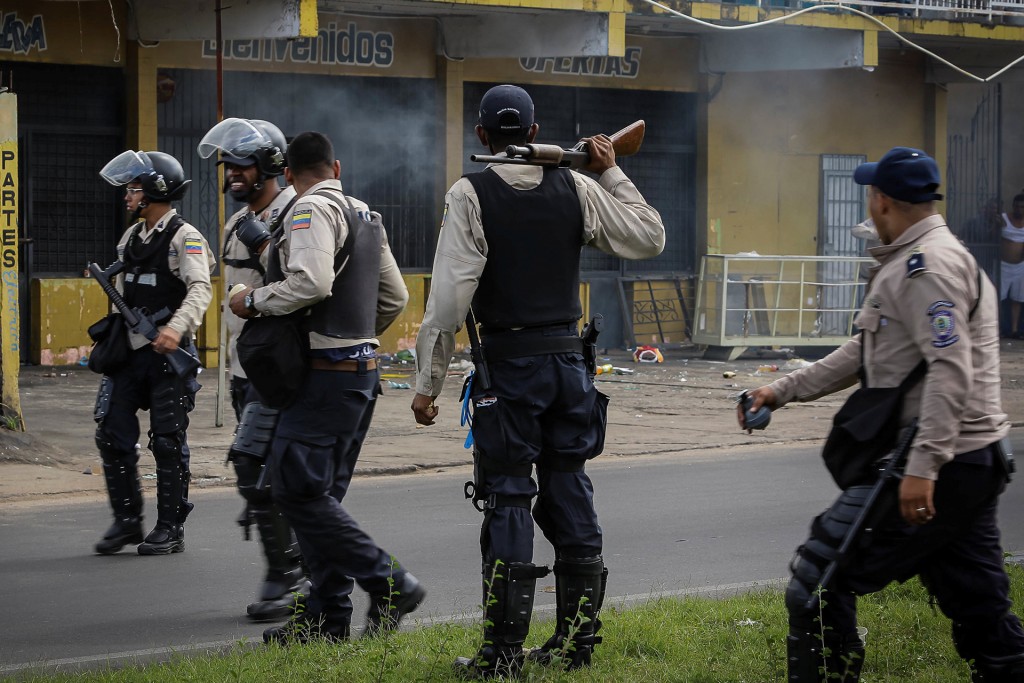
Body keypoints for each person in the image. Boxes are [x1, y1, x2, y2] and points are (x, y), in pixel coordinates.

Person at [740, 147, 1024, 682]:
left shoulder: (927, 268)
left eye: (872, 198)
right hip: (968, 462)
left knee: (817, 580)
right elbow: (865, 352)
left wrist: (922, 468)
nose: (869, 209)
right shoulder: (918, 261)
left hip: (942, 462)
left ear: (883, 201)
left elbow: (949, 370)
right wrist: (781, 391)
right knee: (981, 609)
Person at [411, 84, 666, 678]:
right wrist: (612, 172)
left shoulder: (469, 193)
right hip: (568, 369)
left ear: (481, 137)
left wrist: (428, 383)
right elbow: (649, 236)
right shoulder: (577, 185)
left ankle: (502, 654)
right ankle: (576, 643)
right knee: (569, 487)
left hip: (509, 371)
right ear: (532, 132)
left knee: (506, 500)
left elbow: (448, 302)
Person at [228, 130, 424, 643]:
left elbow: (311, 283)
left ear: (289, 175)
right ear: (335, 168)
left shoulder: (307, 212)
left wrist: (252, 300)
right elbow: (396, 296)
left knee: (295, 492)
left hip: (323, 379)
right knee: (319, 500)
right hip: (359, 377)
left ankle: (389, 581)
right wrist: (359, 336)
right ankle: (327, 618)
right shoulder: (366, 214)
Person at [196, 118, 310, 622]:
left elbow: (303, 282)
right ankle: (297, 565)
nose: (232, 173)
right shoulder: (232, 222)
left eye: (241, 164)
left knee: (260, 467)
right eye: (228, 165)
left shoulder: (294, 211)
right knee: (259, 471)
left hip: (285, 369)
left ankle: (292, 571)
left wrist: (267, 244)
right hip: (248, 367)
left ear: (268, 166)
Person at [93, 150, 214, 556]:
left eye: (134, 187)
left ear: (154, 191)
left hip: (168, 356)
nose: (127, 194)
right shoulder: (131, 237)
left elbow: (200, 289)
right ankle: (127, 522)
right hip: (130, 354)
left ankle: (170, 528)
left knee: (166, 440)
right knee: (111, 431)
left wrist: (175, 329)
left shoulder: (186, 236)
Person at [1001, 194, 1024, 337]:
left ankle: (1014, 330)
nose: (1018, 210)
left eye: (1022, 207)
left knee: (1017, 300)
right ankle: (999, 328)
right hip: (1003, 265)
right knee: (998, 298)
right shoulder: (1003, 219)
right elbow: (992, 236)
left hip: (1020, 266)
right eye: (1016, 206)